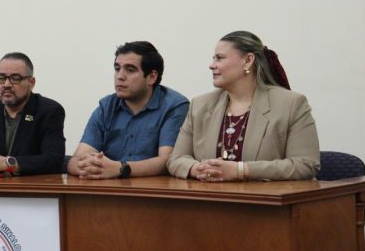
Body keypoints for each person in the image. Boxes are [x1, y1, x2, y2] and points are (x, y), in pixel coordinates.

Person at [166, 31, 320, 181]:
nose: (211, 66)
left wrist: (241, 170)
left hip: (267, 197)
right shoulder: (199, 105)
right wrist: (197, 169)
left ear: (248, 60)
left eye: (220, 58)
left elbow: (306, 164)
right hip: (211, 196)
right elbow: (176, 159)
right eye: (213, 58)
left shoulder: (291, 103)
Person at [67, 41, 189, 179]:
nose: (120, 76)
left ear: (152, 77)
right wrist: (83, 166)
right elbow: (76, 159)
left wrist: (121, 168)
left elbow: (167, 161)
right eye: (117, 69)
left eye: (130, 70)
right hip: (110, 186)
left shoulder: (174, 106)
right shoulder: (106, 106)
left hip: (155, 188)